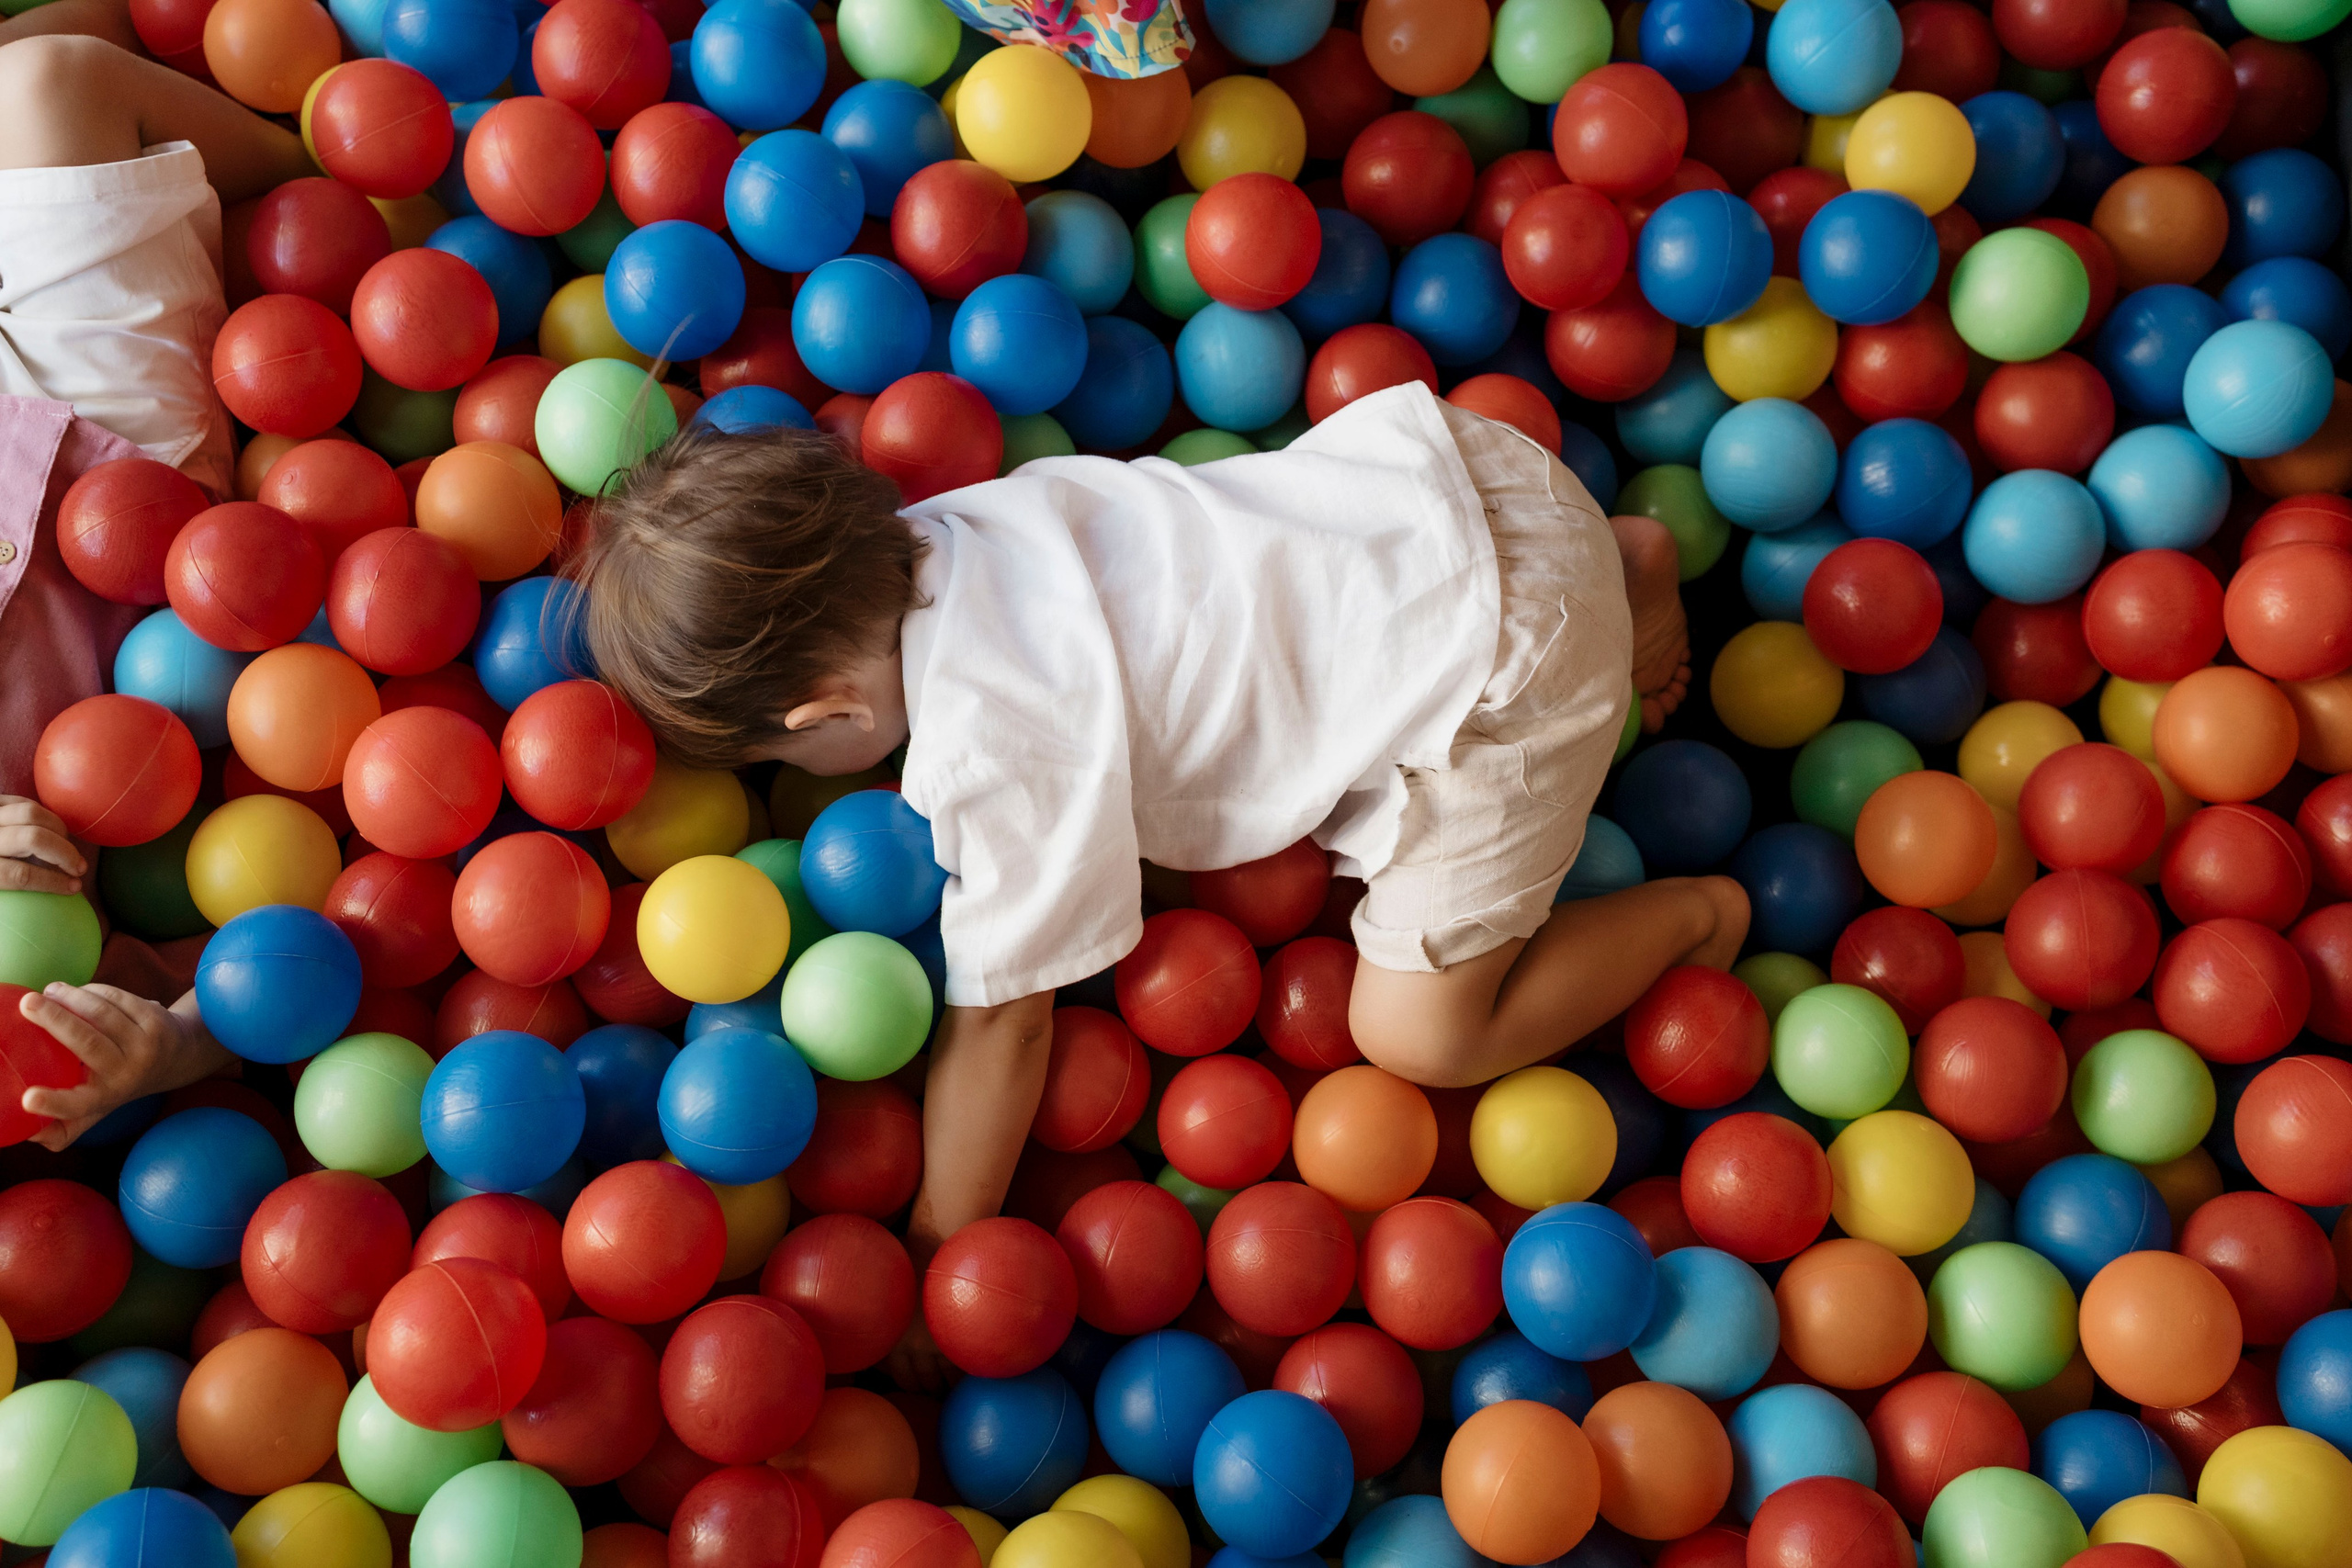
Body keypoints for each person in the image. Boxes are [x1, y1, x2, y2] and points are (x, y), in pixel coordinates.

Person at [576, 388, 1747, 1386]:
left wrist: (945, 1236)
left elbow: (1007, 1025)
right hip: (1462, 476)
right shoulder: (942, 529)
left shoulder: (991, 748)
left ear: (827, 716)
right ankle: (1629, 562)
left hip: (1502, 664)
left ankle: (1698, 911)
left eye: (785, 761)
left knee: (1417, 1032)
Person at [0, 18, 312, 1145]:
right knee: (52, 80)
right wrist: (166, 1048)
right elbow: (274, 964)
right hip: (102, 524)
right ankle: (324, 164)